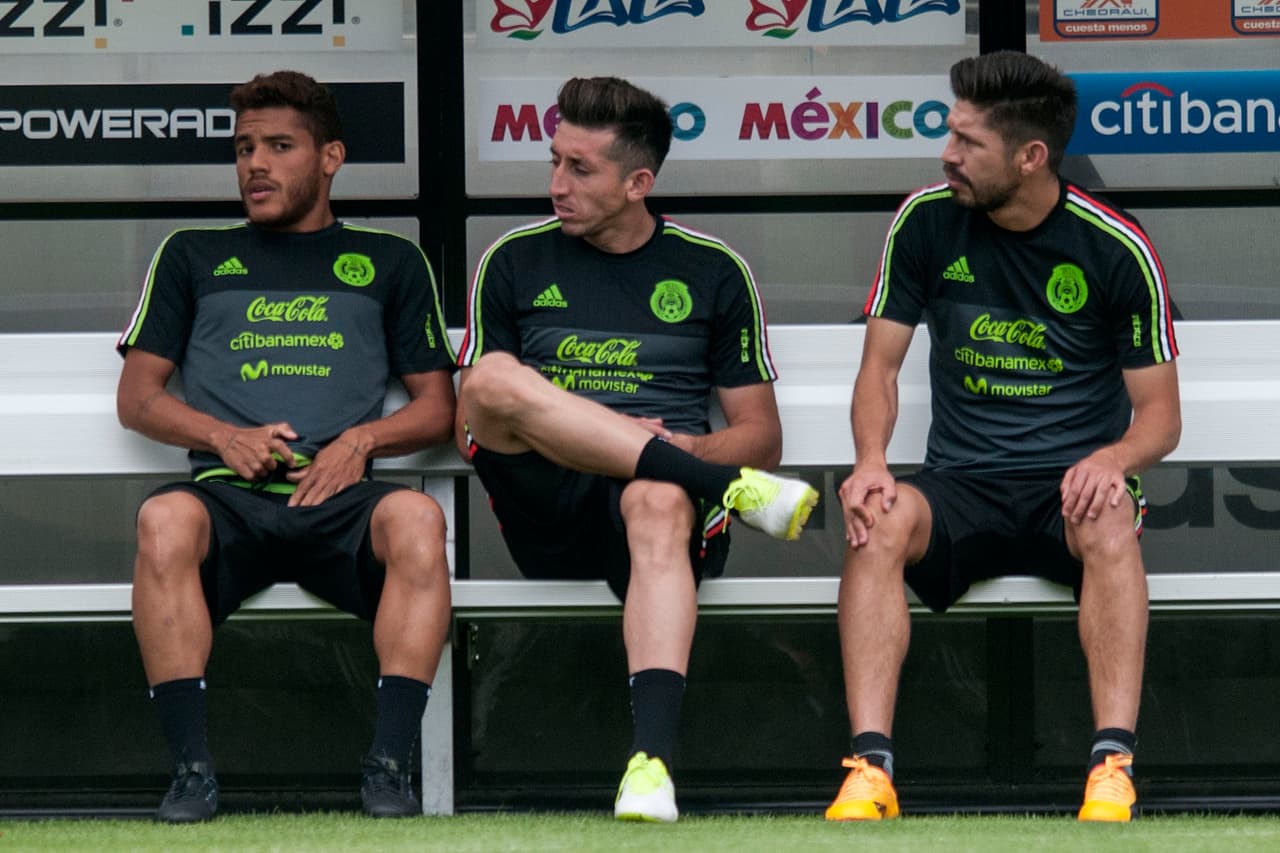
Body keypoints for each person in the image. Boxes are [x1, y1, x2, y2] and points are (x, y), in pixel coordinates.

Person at [825, 51, 1180, 823]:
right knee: (874, 519)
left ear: (1031, 156)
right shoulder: (925, 219)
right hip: (961, 483)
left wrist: (1112, 458)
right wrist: (871, 463)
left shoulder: (1114, 245)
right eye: (949, 135)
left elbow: (1159, 417)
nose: (947, 155)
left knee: (1112, 513)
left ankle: (1111, 764)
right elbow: (880, 368)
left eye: (967, 142)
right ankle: (869, 768)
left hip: (1069, 486)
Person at [455, 76, 820, 823]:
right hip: (547, 507)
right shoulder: (513, 260)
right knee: (489, 377)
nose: (556, 184)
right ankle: (717, 486)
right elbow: (473, 424)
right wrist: (653, 449)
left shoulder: (712, 270)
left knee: (655, 493)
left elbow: (760, 435)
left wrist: (686, 445)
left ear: (638, 182)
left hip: (658, 520)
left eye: (579, 169)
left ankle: (650, 765)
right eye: (554, 161)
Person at [115, 70, 457, 822]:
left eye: (278, 146)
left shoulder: (390, 261)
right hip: (227, 500)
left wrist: (362, 440)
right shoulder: (192, 254)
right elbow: (137, 398)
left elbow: (439, 410)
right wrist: (221, 435)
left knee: (420, 521)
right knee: (162, 520)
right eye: (243, 148)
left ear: (330, 157)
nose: (255, 165)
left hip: (339, 500)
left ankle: (389, 766)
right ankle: (191, 771)